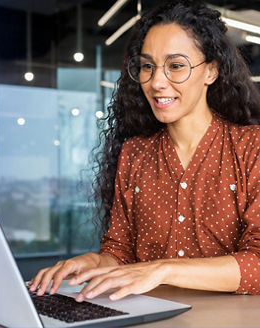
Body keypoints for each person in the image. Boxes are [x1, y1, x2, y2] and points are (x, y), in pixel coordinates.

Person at [29, 0, 260, 301]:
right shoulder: (135, 154)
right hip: (149, 317)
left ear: (211, 72)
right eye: (147, 66)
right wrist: (93, 264)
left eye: (176, 66)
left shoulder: (251, 147)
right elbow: (120, 252)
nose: (156, 82)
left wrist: (164, 270)